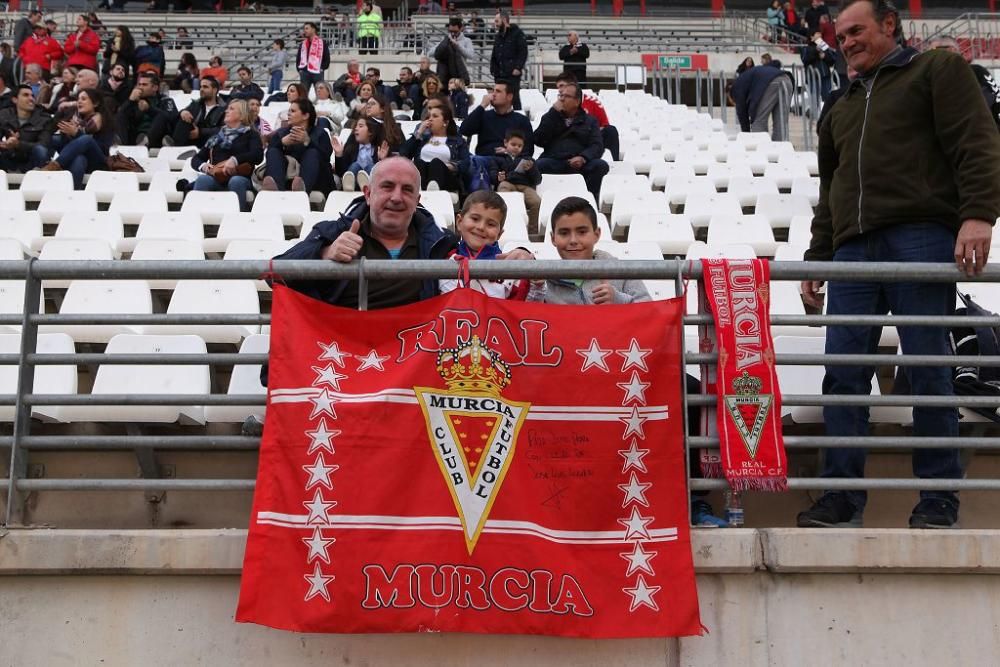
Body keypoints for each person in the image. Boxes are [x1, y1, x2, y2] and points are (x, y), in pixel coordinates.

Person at [797, 0, 1000, 530]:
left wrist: (978, 214)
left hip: (921, 237)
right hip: (852, 251)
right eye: (840, 37)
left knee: (927, 372)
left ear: (890, 24)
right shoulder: (839, 106)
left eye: (857, 31)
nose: (847, 42)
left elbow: (976, 142)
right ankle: (841, 498)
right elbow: (831, 193)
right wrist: (818, 258)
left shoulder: (936, 70)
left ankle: (938, 499)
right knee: (842, 378)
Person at [540, 196, 648, 304]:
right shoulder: (543, 284)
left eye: (582, 232)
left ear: (596, 234)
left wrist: (618, 301)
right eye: (564, 233)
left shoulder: (622, 271)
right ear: (553, 238)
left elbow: (649, 311)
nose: (573, 240)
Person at [439, 190, 543, 301]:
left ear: (499, 234)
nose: (481, 227)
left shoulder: (509, 270)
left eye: (491, 224)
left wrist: (536, 281)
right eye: (475, 219)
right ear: (459, 222)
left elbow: (527, 308)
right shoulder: (442, 257)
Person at [533, 82, 608, 201]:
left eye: (566, 96)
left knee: (600, 166)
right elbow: (538, 140)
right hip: (555, 160)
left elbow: (597, 145)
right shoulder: (550, 117)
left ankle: (588, 199)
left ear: (577, 101)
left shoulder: (590, 121)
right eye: (560, 96)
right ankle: (547, 200)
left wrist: (583, 157)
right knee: (538, 165)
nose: (562, 99)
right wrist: (553, 113)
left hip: (580, 162)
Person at [187, 99, 263, 213]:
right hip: (217, 177)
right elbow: (196, 159)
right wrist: (203, 166)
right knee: (203, 180)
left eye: (231, 109)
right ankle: (195, 218)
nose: (226, 111)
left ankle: (238, 217)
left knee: (236, 181)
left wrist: (235, 160)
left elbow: (257, 155)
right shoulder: (217, 136)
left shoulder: (251, 134)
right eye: (227, 108)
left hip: (241, 177)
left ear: (242, 116)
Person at [38, 87, 115, 189]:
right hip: (76, 160)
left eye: (84, 99)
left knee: (86, 139)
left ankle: (54, 166)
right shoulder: (74, 118)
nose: (79, 101)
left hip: (98, 161)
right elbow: (64, 143)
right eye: (78, 99)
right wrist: (66, 134)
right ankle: (73, 194)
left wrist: (77, 133)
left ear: (95, 103)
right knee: (78, 158)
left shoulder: (104, 121)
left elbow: (103, 148)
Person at [261, 97, 333, 193]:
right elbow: (269, 154)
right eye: (289, 111)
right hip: (286, 178)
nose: (288, 114)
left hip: (317, 181)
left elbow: (326, 157)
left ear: (305, 116)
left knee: (312, 152)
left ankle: (302, 190)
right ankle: (276, 191)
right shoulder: (281, 133)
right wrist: (282, 143)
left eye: (293, 111)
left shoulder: (320, 133)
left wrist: (308, 142)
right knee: (274, 151)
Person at [931, 35, 1000, 130]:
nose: (928, 58)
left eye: (933, 51)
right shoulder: (936, 79)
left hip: (986, 134)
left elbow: (988, 100)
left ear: (951, 50)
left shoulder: (976, 71)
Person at [400, 103, 469, 192]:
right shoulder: (422, 139)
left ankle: (433, 190)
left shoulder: (457, 141)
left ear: (445, 122)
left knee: (436, 162)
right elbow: (404, 153)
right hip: (423, 174)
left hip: (447, 178)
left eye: (435, 116)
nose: (430, 119)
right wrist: (419, 133)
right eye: (429, 117)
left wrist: (452, 166)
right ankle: (420, 189)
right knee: (420, 163)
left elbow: (466, 163)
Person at [555, 71, 620, 162]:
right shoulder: (559, 106)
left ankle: (616, 164)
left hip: (591, 139)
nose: (559, 90)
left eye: (562, 86)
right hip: (572, 142)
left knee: (611, 130)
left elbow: (604, 125)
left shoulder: (592, 102)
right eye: (558, 87)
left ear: (573, 85)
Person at [460, 79, 535, 157]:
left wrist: (510, 152)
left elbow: (528, 150)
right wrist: (482, 106)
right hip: (484, 161)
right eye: (493, 91)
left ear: (509, 97)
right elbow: (464, 130)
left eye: (498, 91)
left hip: (509, 162)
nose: (493, 94)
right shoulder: (483, 116)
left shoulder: (522, 120)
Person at [731, 55, 793, 141]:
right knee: (780, 121)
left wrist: (746, 135)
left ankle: (761, 148)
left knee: (759, 120)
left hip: (771, 82)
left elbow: (742, 112)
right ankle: (779, 147)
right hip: (787, 80)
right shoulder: (748, 77)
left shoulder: (737, 86)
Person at [493, 129, 541, 232]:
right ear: (506, 143)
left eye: (519, 146)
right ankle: (505, 225)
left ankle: (532, 229)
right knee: (504, 190)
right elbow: (493, 173)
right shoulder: (498, 158)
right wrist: (498, 177)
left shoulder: (528, 159)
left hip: (525, 187)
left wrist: (531, 169)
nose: (516, 148)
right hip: (508, 183)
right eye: (513, 144)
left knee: (536, 202)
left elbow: (537, 179)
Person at [116, 71, 177, 147]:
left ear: (155, 88)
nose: (140, 87)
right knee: (121, 114)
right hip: (136, 137)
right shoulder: (134, 100)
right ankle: (121, 145)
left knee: (162, 115)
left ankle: (145, 142)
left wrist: (149, 109)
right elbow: (120, 116)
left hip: (158, 138)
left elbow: (172, 118)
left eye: (144, 85)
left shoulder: (166, 100)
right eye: (139, 84)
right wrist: (130, 101)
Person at [0, 85, 52, 173]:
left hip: (31, 161)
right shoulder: (4, 114)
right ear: (15, 100)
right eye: (26, 95)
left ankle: (38, 178)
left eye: (32, 96)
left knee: (40, 150)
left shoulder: (44, 118)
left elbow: (43, 144)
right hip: (8, 158)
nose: (31, 98)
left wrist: (18, 144)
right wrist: (4, 144)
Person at [334, 115, 390, 192]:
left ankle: (366, 185)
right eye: (356, 126)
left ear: (370, 132)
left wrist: (382, 160)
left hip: (374, 185)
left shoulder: (379, 148)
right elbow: (341, 172)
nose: (356, 129)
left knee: (371, 167)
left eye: (360, 126)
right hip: (353, 185)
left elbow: (386, 173)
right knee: (355, 165)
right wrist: (339, 154)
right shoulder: (351, 148)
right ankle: (348, 187)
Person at [170, 76, 225, 148]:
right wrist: (182, 112)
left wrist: (200, 132)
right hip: (191, 138)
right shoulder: (196, 104)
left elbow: (224, 129)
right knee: (182, 118)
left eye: (205, 87)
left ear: (214, 90)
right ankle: (174, 146)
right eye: (201, 87)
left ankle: (174, 146)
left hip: (209, 141)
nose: (201, 89)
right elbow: (182, 115)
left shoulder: (223, 108)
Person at [490, 10, 528, 110]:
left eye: (497, 21)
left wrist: (518, 67)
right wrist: (493, 69)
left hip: (512, 74)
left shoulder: (517, 34)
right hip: (499, 74)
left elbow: (523, 52)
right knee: (499, 99)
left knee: (514, 98)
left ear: (504, 20)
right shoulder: (498, 36)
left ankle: (518, 120)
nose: (495, 24)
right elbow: (494, 53)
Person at [435, 17, 474, 87]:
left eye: (455, 31)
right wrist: (443, 45)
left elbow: (471, 55)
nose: (452, 33)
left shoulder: (467, 40)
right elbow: (433, 53)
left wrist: (458, 46)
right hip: (445, 75)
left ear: (461, 29)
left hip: (459, 74)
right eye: (450, 31)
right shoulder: (445, 40)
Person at [297, 22, 329, 92]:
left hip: (317, 72)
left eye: (307, 28)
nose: (305, 30)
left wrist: (322, 68)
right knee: (303, 95)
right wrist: (300, 69)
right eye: (304, 29)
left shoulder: (322, 42)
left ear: (313, 29)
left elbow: (326, 57)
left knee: (320, 95)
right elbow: (298, 58)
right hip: (305, 72)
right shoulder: (302, 44)